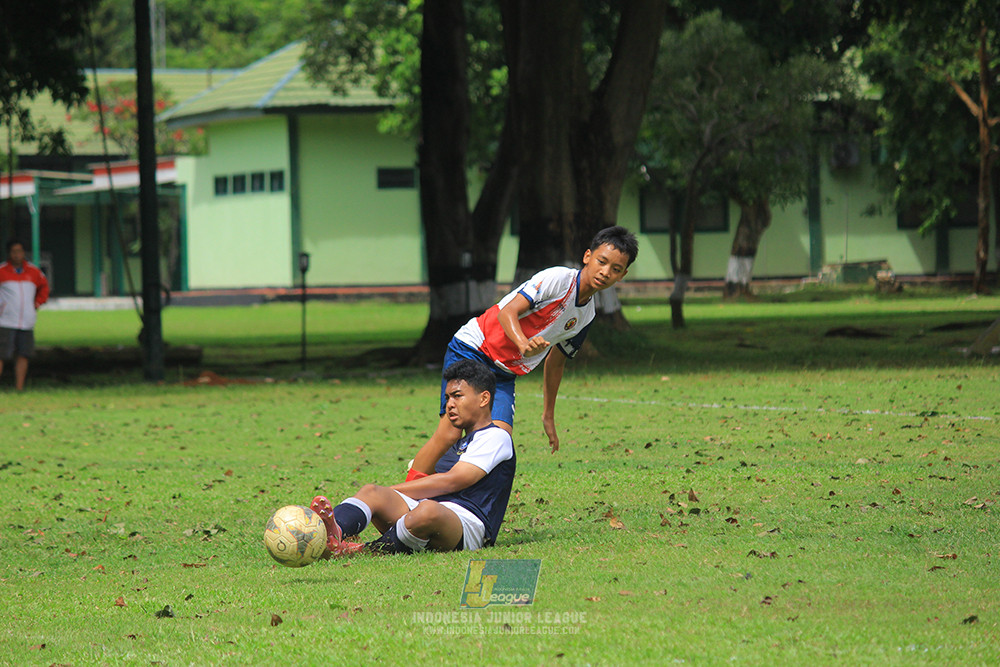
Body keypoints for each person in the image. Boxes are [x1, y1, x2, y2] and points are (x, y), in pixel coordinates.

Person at [406, 225, 638, 480]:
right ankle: (402, 500)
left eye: (615, 269)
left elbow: (556, 362)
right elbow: (508, 312)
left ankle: (437, 479)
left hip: (503, 374)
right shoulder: (558, 279)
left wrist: (548, 414)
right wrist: (522, 343)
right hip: (474, 349)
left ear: (623, 275)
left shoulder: (586, 315)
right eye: (601, 262)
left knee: (497, 441)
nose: (605, 272)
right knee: (451, 432)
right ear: (587, 256)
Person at [311, 358, 515, 556]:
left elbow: (453, 480)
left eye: (457, 396)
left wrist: (392, 490)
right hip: (426, 511)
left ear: (483, 399)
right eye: (447, 398)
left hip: (467, 526)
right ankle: (325, 537)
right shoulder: (459, 442)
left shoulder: (496, 436)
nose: (450, 404)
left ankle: (363, 550)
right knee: (372, 492)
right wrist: (385, 495)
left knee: (428, 511)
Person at [0, 240, 49, 391]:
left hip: (26, 321)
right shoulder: (2, 270)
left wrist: (36, 304)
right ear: (9, 253)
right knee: (1, 354)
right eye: (14, 251)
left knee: (23, 354)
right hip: (6, 320)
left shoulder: (34, 272)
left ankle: (19, 387)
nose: (17, 254)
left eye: (20, 251)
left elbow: (44, 288)